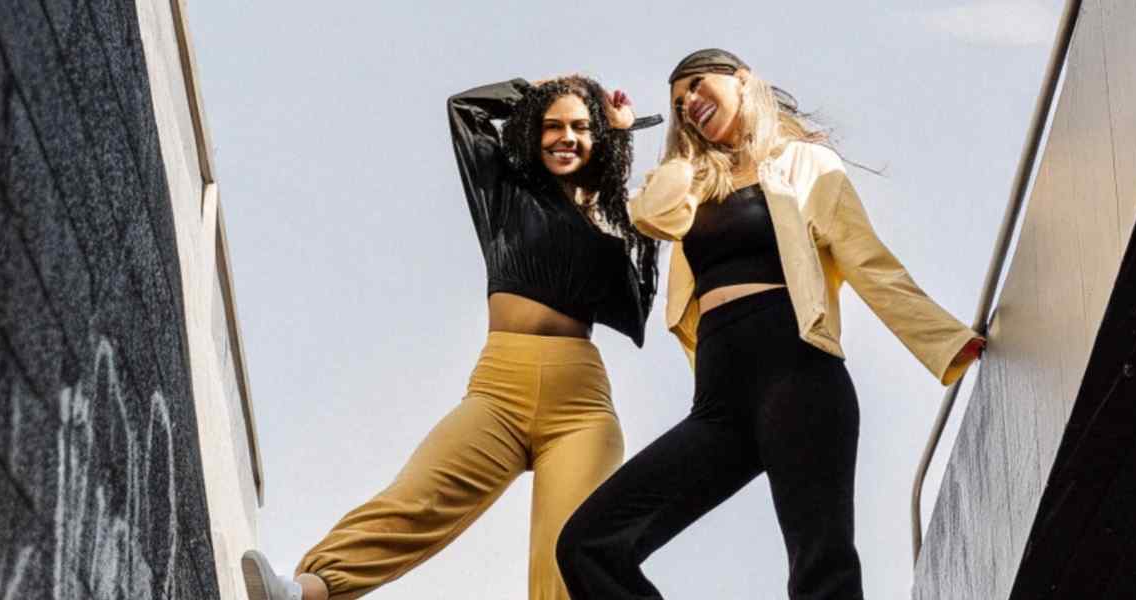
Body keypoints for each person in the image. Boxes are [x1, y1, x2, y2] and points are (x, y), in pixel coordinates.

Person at [555, 49, 985, 600]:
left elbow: (869, 262)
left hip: (798, 374)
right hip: (719, 404)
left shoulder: (805, 165)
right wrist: (684, 155)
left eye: (698, 85)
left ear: (743, 81)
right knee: (589, 544)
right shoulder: (691, 187)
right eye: (678, 101)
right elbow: (650, 215)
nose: (688, 102)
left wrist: (947, 341)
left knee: (819, 568)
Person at [239, 74, 663, 600]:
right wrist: (534, 90)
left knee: (566, 555)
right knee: (417, 499)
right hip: (500, 389)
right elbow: (465, 111)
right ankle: (306, 591)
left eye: (579, 127)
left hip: (581, 405)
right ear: (532, 132)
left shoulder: (609, 229)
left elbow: (639, 303)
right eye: (552, 126)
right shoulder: (504, 192)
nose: (565, 137)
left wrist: (619, 134)